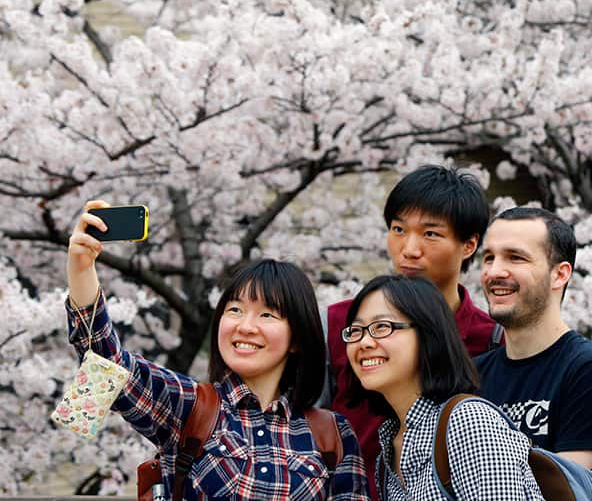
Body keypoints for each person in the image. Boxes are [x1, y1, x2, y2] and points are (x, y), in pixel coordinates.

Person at [65, 200, 369, 500]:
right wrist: (81, 269)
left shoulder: (332, 435)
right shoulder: (189, 407)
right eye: (235, 310)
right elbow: (106, 366)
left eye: (267, 315)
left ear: (297, 339)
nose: (246, 326)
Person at [325, 165, 499, 497]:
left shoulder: (490, 340)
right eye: (398, 229)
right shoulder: (339, 325)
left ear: (469, 245)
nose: (409, 249)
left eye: (430, 234)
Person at [343, 274, 542, 500]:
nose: (364, 342)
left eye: (382, 326)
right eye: (356, 330)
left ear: (428, 334)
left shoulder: (469, 423)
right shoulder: (389, 448)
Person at [475, 207, 592, 470]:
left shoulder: (590, 373)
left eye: (515, 258)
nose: (495, 271)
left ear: (560, 274)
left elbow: (569, 490)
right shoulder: (472, 375)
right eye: (489, 258)